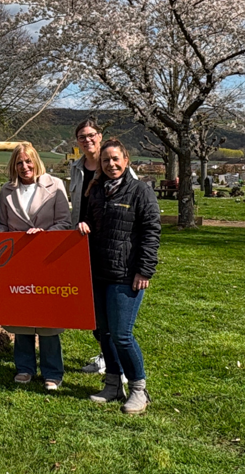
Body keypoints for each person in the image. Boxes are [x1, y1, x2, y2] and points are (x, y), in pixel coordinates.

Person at [78, 138, 161, 413]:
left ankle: (138, 389)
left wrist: (144, 270)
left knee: (122, 335)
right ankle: (113, 384)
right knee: (104, 333)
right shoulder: (96, 191)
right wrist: (84, 225)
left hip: (126, 275)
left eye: (116, 159)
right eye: (106, 160)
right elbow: (91, 222)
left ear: (126, 160)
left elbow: (151, 232)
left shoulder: (140, 191)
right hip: (99, 272)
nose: (111, 164)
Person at [0, 142, 71, 390]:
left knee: (48, 319)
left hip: (48, 258)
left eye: (28, 161)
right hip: (19, 260)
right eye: (19, 162)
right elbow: (4, 224)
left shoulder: (55, 185)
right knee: (22, 315)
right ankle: (24, 367)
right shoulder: (7, 190)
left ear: (36, 161)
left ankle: (53, 372)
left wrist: (44, 235)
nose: (24, 166)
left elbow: (64, 222)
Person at [69, 119, 138, 375]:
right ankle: (105, 355)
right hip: (83, 241)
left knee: (113, 313)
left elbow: (135, 205)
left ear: (100, 136)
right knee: (93, 306)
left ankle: (115, 362)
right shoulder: (76, 168)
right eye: (82, 136)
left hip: (113, 246)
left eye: (91, 135)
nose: (87, 140)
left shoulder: (115, 164)